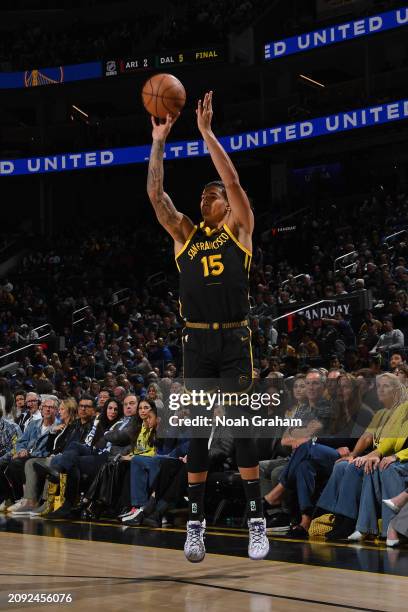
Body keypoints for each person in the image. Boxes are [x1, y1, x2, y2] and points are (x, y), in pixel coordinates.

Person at [146, 91, 269, 562]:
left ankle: (257, 523)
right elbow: (156, 195)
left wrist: (205, 133)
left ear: (229, 205)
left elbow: (233, 179)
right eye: (202, 194)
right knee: (197, 432)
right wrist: (159, 142)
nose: (205, 196)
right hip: (196, 339)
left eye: (211, 194)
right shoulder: (185, 236)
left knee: (241, 427)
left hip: (235, 337)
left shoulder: (241, 230)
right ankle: (194, 527)